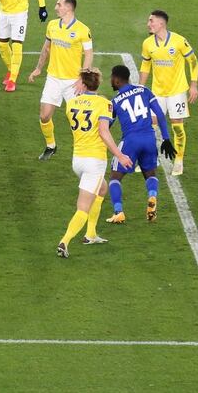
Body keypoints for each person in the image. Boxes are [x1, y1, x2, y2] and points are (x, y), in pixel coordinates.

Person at [57, 68, 133, 258]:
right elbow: (104, 132)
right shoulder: (104, 104)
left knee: (102, 189)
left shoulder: (71, 103)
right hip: (94, 162)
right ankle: (64, 242)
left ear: (82, 84)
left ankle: (91, 234)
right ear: (98, 83)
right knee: (83, 208)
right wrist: (120, 155)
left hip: (78, 160)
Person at [103, 65, 178, 224]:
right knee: (150, 174)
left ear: (116, 79)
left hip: (130, 141)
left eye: (111, 77)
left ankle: (119, 212)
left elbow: (106, 127)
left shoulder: (115, 101)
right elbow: (159, 115)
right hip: (149, 139)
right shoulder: (145, 91)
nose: (110, 80)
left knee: (115, 177)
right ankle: (152, 196)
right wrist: (165, 138)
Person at [28, 0, 92, 160]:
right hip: (53, 78)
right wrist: (38, 68)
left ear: (68, 8)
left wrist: (82, 79)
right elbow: (46, 48)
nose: (56, 7)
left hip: (73, 81)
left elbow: (89, 55)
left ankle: (83, 149)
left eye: (59, 4)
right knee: (44, 116)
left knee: (78, 120)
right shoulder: (52, 25)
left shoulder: (83, 30)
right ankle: (51, 146)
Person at [140, 10, 198, 176]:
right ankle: (151, 157)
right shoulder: (147, 43)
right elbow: (145, 66)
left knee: (177, 127)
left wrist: (193, 85)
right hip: (157, 91)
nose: (148, 24)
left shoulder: (179, 41)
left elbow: (193, 61)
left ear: (161, 23)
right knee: (150, 124)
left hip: (177, 92)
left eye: (151, 21)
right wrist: (140, 87)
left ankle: (179, 160)